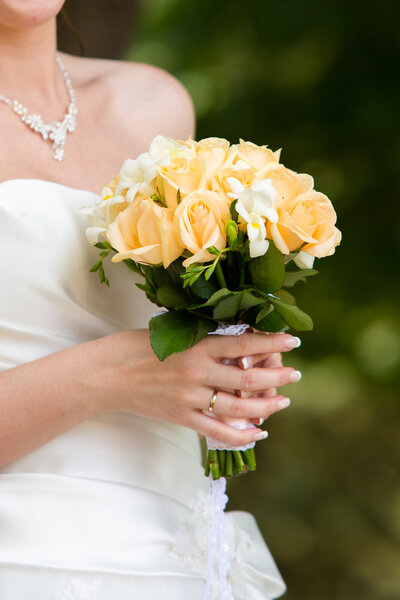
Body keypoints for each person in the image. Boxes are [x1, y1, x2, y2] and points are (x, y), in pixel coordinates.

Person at [0, 2, 301, 598]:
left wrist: (225, 362)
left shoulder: (154, 104)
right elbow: (138, 366)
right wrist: (114, 372)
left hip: (173, 560)